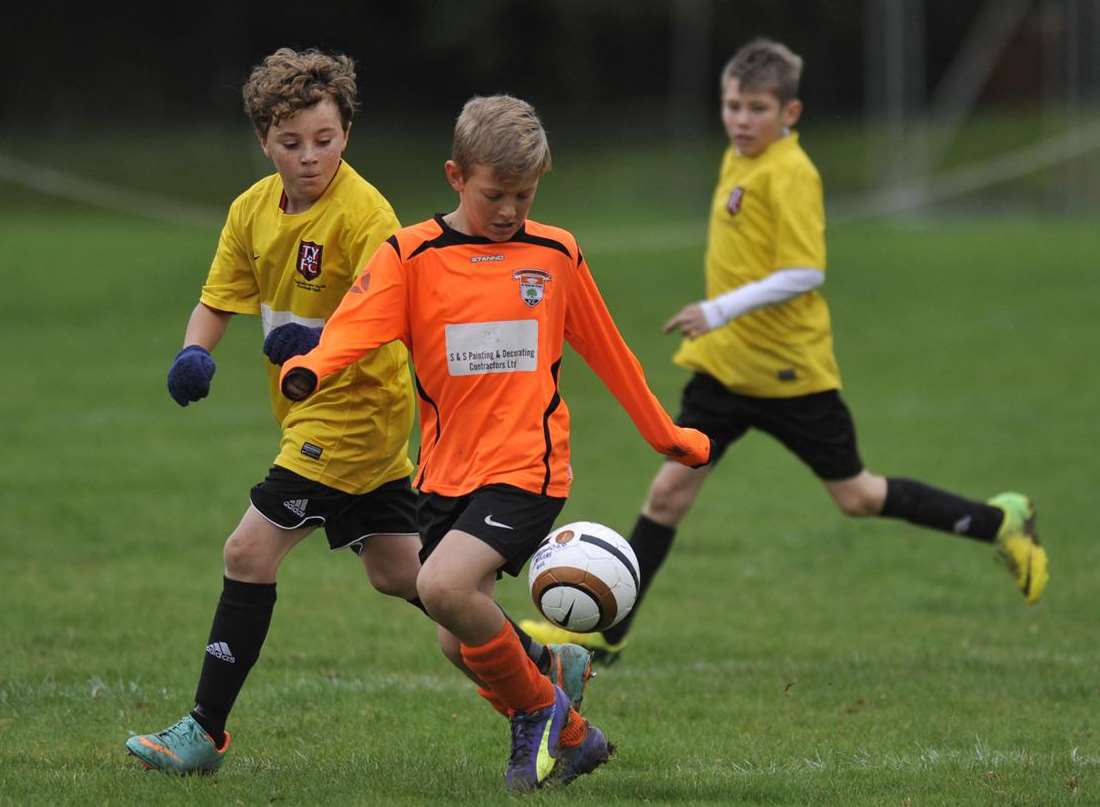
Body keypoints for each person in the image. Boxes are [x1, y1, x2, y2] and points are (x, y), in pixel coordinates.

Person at [124, 49, 589, 777]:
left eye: (326, 140)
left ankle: (204, 730)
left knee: (248, 552)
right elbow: (219, 299)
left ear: (346, 132)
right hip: (312, 412)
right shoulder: (251, 210)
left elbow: (388, 311)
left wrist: (316, 340)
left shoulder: (364, 212)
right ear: (263, 141)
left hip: (353, 414)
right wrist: (195, 351)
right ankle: (540, 663)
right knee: (404, 573)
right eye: (292, 143)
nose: (310, 158)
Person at [520, 37, 1050, 666]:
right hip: (724, 371)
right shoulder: (738, 157)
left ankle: (1001, 523)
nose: (741, 120)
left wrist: (715, 310)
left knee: (855, 496)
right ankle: (609, 633)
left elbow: (805, 270)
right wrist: (720, 326)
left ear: (789, 114)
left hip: (789, 374)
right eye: (732, 106)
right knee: (668, 494)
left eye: (756, 109)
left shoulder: (791, 172)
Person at [279, 94, 712, 791]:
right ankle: (574, 731)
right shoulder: (410, 255)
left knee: (441, 584)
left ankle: (538, 710)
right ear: (456, 175)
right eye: (495, 193)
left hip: (529, 466)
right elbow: (355, 325)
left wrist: (669, 435)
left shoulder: (555, 252)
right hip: (447, 474)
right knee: (458, 637)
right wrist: (310, 367)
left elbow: (611, 353)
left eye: (524, 193)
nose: (510, 209)